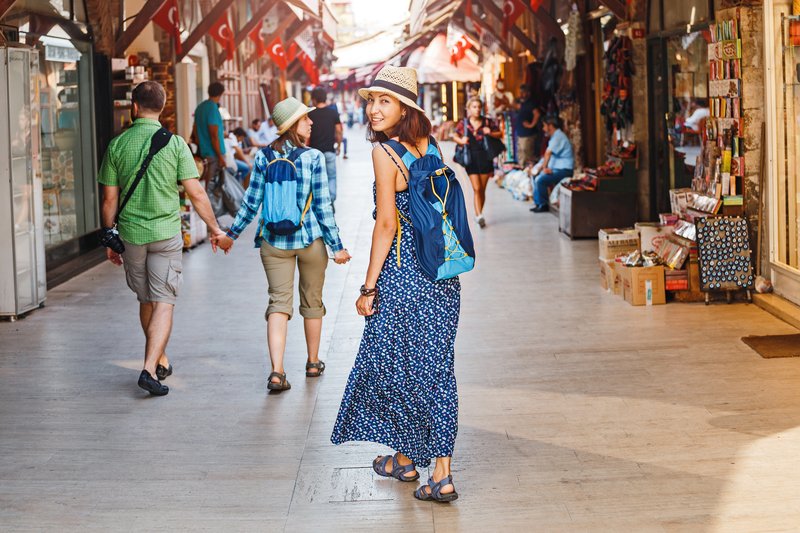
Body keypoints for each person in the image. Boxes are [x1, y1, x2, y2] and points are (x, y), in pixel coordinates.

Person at [331, 65, 462, 503]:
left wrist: (368, 286)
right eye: (371, 100)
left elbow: (386, 224)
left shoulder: (384, 154)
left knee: (402, 367)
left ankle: (441, 473)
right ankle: (407, 459)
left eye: (384, 101)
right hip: (442, 277)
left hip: (404, 277)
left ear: (404, 107)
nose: (373, 109)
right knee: (429, 366)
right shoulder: (432, 147)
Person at [97, 81, 231, 396]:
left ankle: (160, 358)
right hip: (166, 234)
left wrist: (109, 237)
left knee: (146, 299)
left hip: (131, 235)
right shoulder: (174, 144)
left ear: (133, 107)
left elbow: (108, 200)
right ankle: (148, 367)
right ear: (162, 106)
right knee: (164, 300)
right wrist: (215, 229)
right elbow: (196, 192)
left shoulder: (117, 145)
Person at [221, 97, 351, 392]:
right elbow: (323, 208)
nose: (311, 122)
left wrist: (232, 234)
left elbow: (250, 203)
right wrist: (337, 247)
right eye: (305, 118)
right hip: (309, 242)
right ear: (293, 125)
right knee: (312, 301)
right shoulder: (313, 157)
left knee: (278, 303)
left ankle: (277, 371)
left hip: (273, 242)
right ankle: (313, 362)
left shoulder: (263, 157)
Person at [452, 97, 502, 228]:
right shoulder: (464, 123)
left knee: (482, 190)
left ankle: (479, 213)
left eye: (479, 107)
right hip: (471, 159)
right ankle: (479, 215)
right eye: (474, 107)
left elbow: (500, 133)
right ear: (469, 109)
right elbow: (455, 135)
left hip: (485, 158)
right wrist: (461, 141)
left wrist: (490, 132)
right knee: (476, 188)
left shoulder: (487, 122)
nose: (477, 109)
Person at [531, 116, 574, 213]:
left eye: (544, 126)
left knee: (540, 180)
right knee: (536, 176)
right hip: (557, 168)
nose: (543, 128)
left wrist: (544, 168)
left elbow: (548, 153)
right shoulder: (555, 136)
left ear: (550, 126)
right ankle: (538, 203)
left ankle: (543, 204)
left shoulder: (558, 136)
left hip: (564, 170)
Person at [308, 87, 343, 205]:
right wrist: (338, 146)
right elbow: (339, 131)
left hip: (314, 153)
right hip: (329, 151)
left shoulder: (310, 114)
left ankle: (319, 201)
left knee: (316, 178)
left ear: (314, 99)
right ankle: (331, 200)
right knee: (331, 176)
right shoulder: (333, 112)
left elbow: (307, 135)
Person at [193, 82, 226, 186]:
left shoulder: (200, 107)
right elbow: (214, 135)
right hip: (214, 153)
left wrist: (200, 142)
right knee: (213, 187)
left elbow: (194, 129)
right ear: (221, 94)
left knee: (208, 185)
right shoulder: (212, 108)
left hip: (204, 152)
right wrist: (220, 156)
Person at [514, 86, 542, 167]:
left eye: (523, 92)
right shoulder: (523, 103)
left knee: (527, 155)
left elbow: (537, 114)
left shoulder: (531, 103)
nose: (521, 94)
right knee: (521, 154)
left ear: (528, 93)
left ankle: (527, 173)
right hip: (521, 133)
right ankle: (522, 172)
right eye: (520, 92)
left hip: (528, 134)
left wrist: (531, 125)